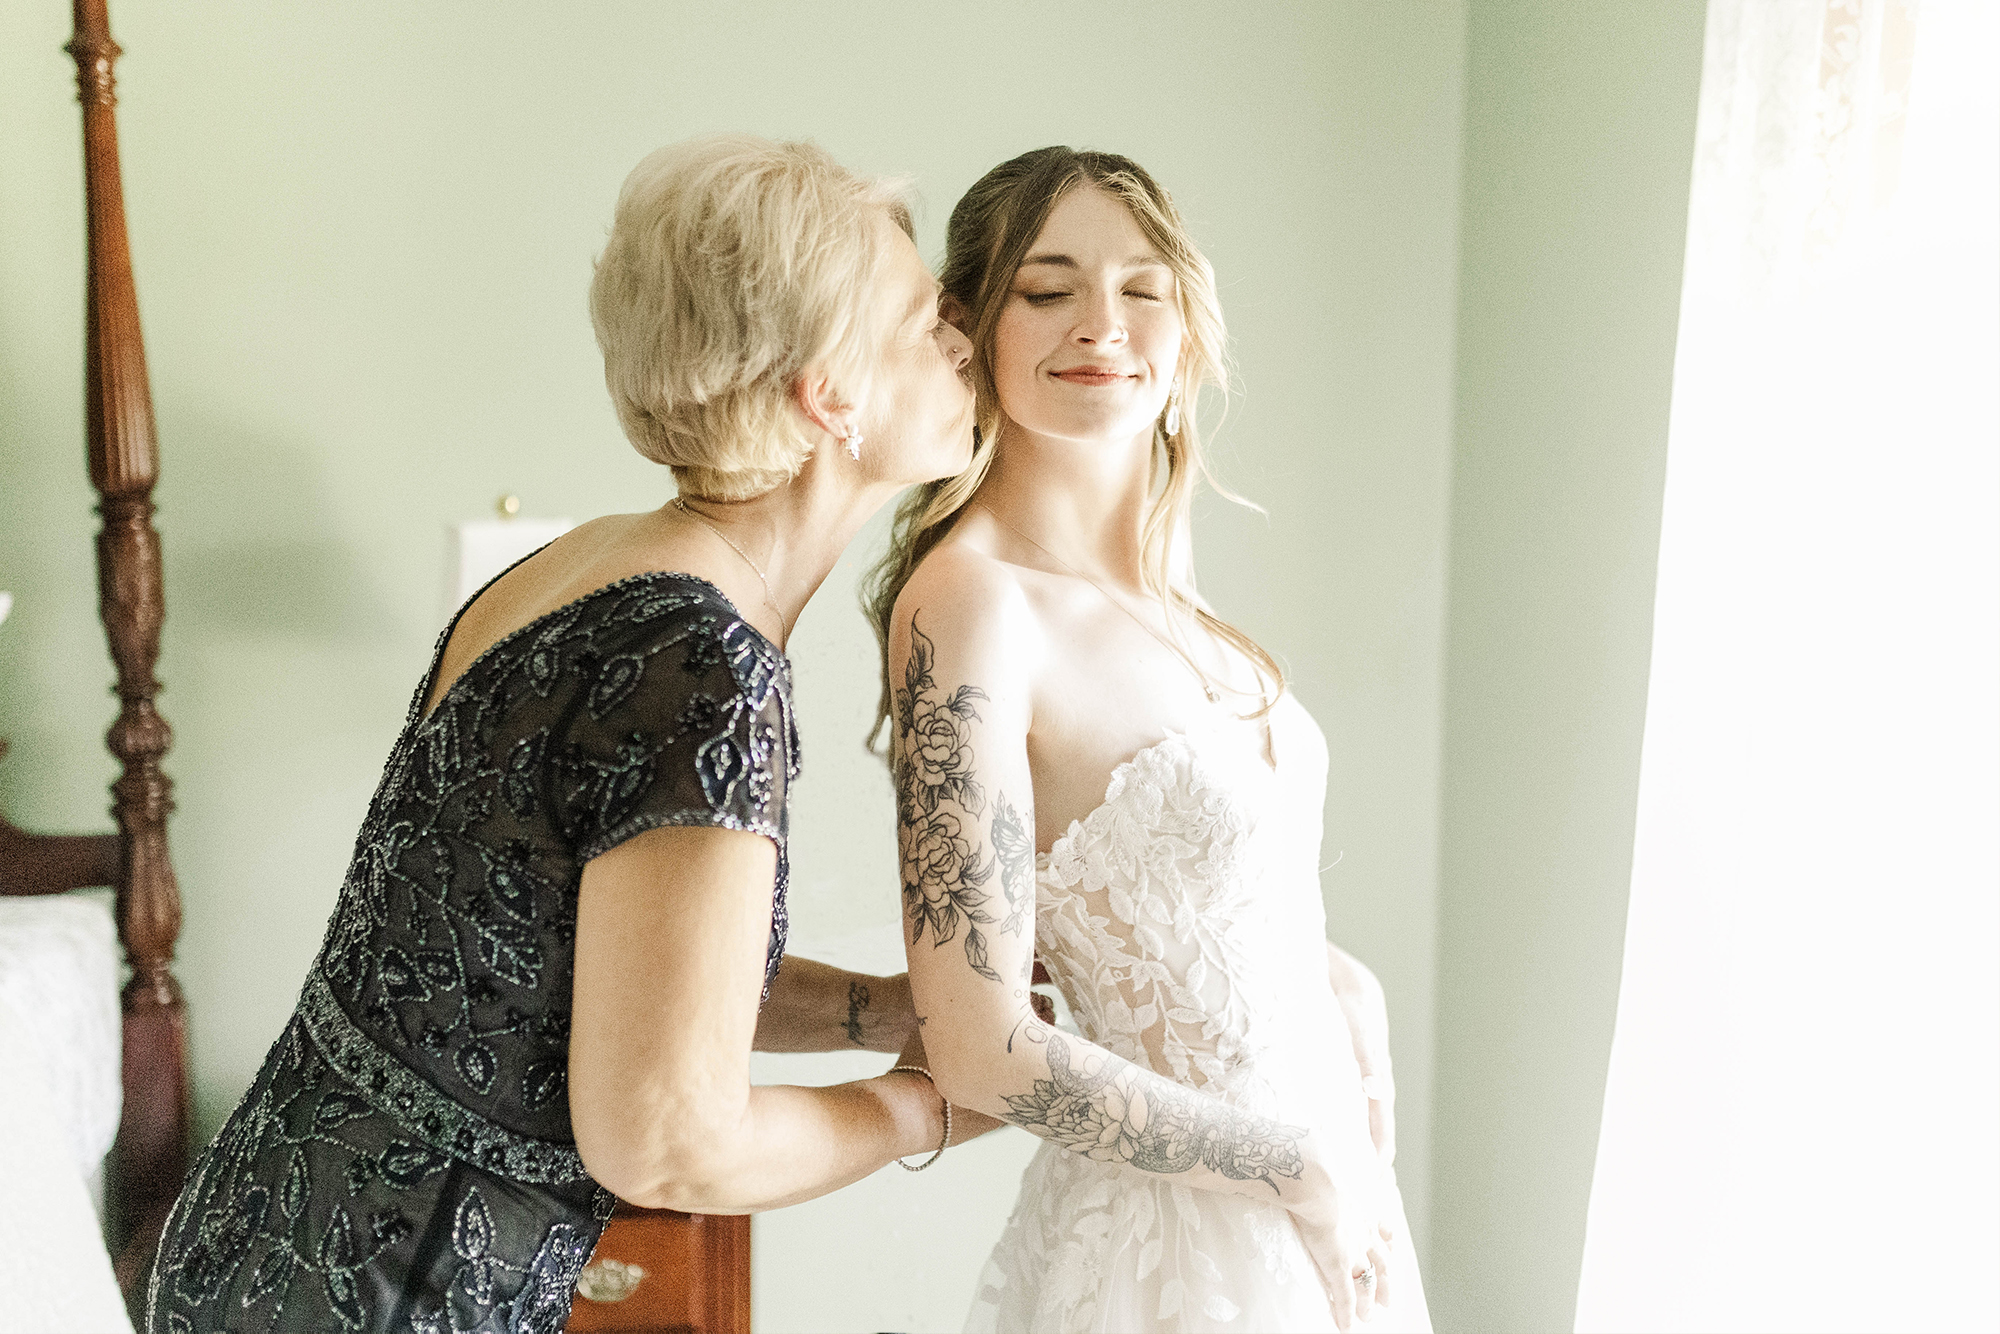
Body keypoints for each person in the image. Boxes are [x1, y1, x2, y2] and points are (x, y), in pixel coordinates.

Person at [145, 134, 997, 1334]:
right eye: (922, 322)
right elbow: (672, 1142)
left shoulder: (580, 564)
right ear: (829, 392)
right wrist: (936, 1107)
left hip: (243, 1248)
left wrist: (889, 1008)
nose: (961, 340)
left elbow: (595, 971)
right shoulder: (702, 668)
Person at [866, 147, 1432, 1332]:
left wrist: (1349, 994)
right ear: (966, 325)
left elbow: (1201, 921)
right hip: (1168, 1253)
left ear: (1185, 327)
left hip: (1333, 1229)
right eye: (1047, 287)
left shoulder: (1187, 615)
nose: (1099, 325)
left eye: (1141, 288)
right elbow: (979, 1049)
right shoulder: (972, 604)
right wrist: (1291, 1165)